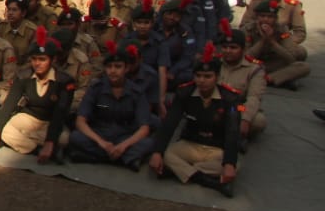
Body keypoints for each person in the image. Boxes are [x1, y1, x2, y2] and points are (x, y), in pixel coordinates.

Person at [149, 51, 241, 197]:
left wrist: (229, 163)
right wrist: (157, 152)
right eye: (198, 76)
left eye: (207, 76)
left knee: (235, 165)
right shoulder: (184, 92)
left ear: (217, 77)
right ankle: (210, 182)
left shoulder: (230, 98)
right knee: (165, 155)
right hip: (191, 144)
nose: (202, 80)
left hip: (216, 149)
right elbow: (169, 124)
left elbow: (232, 132)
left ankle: (181, 171)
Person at [0, 28, 74, 161]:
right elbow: (8, 106)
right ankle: (36, 150)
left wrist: (50, 141)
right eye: (34, 59)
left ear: (53, 60)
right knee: (0, 127)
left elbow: (59, 114)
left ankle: (25, 143)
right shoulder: (23, 76)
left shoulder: (64, 81)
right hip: (26, 119)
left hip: (48, 123)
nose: (37, 63)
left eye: (42, 59)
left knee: (65, 139)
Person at [67, 46, 154, 169]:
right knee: (75, 137)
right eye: (109, 67)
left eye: (118, 67)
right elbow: (80, 121)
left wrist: (123, 146)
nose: (113, 71)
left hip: (124, 136)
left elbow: (144, 128)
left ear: (126, 68)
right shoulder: (96, 88)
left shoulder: (136, 92)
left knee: (148, 143)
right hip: (100, 135)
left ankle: (96, 157)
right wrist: (102, 143)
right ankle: (124, 160)